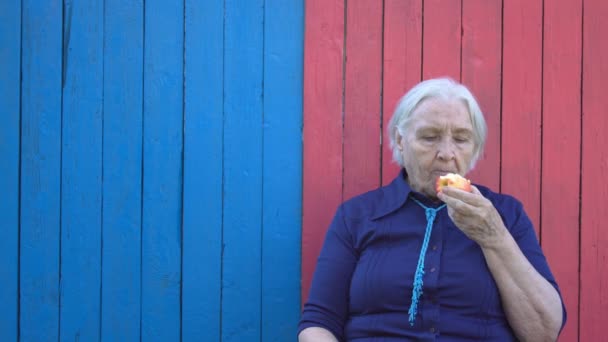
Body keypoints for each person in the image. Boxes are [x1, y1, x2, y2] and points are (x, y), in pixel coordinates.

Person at [298, 78, 566, 341]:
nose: (447, 153)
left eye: (461, 139)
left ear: (475, 148)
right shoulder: (357, 216)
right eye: (429, 137)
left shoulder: (506, 215)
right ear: (401, 141)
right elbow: (318, 324)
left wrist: (494, 236)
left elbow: (543, 332)